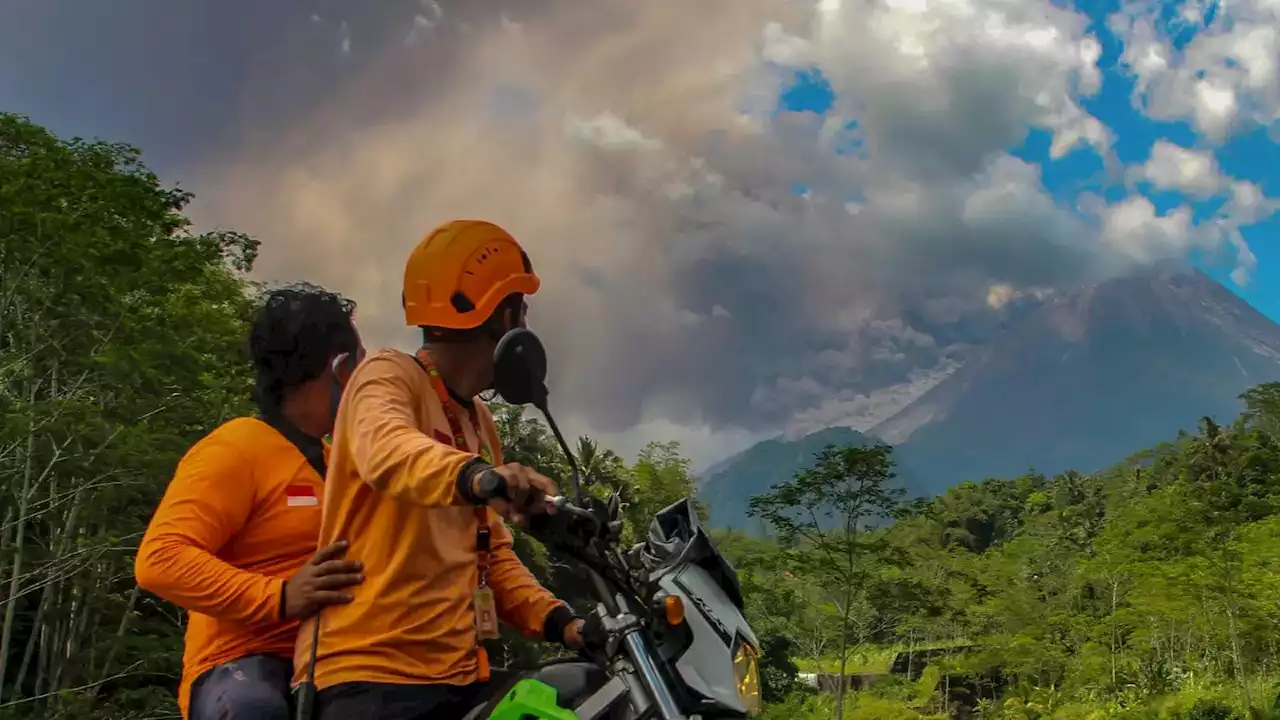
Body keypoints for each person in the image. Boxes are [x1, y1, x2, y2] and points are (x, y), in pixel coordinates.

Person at [294, 220, 585, 720]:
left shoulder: (476, 420)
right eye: (521, 309)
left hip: (456, 678)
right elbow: (388, 451)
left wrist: (562, 622)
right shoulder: (386, 377)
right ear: (503, 313)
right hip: (367, 677)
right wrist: (479, 477)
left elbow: (491, 555)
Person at [135, 285, 368, 720]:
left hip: (334, 660)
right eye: (360, 363)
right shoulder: (236, 447)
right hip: (241, 666)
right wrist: (280, 597)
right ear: (338, 367)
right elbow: (160, 560)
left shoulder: (341, 463)